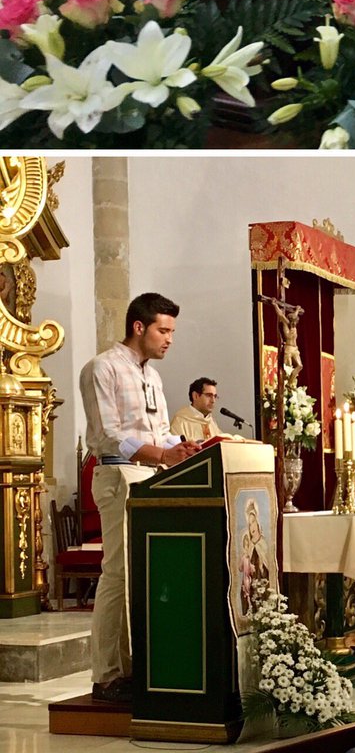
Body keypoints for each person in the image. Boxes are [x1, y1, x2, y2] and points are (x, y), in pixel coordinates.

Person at [80, 293, 202, 704]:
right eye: (163, 330)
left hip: (151, 476)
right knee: (117, 573)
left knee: (143, 574)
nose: (169, 339)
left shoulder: (153, 376)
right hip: (118, 474)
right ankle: (106, 675)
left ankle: (136, 667)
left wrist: (184, 448)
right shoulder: (102, 368)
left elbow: (160, 431)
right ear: (138, 327)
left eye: (171, 331)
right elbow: (108, 432)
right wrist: (162, 454)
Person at [169, 377, 226, 442]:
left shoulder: (211, 422)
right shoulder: (180, 421)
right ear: (195, 396)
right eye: (209, 395)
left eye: (215, 396)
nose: (213, 401)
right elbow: (177, 449)